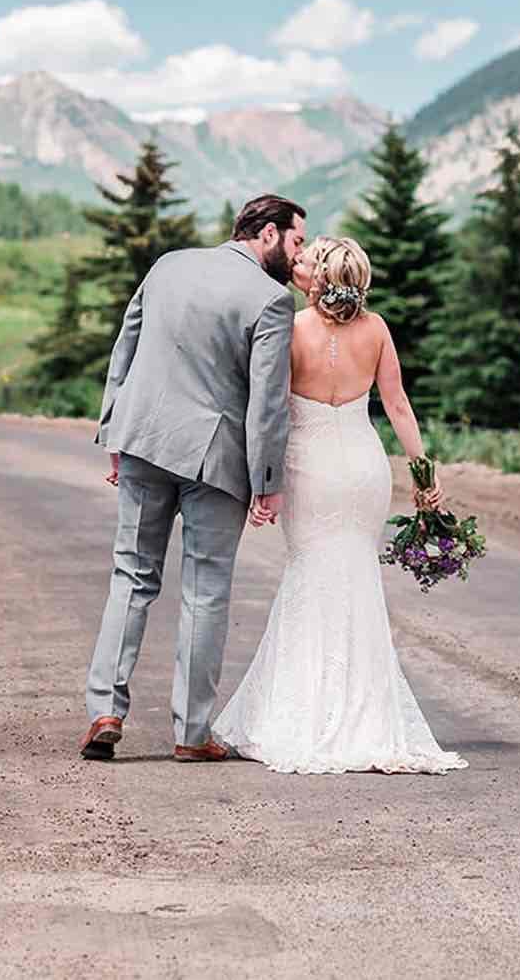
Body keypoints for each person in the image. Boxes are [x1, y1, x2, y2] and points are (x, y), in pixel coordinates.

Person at [212, 237, 468, 774]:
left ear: (319, 281)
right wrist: (424, 474)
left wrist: (264, 480)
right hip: (363, 470)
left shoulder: (292, 328)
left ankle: (304, 710)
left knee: (310, 575)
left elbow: (274, 409)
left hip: (311, 468)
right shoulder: (376, 331)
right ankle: (366, 715)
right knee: (356, 578)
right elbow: (397, 405)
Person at [79, 194, 306, 763]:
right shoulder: (271, 300)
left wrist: (113, 431)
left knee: (130, 575)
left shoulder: (168, 265)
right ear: (270, 235)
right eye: (297, 241)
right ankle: (191, 734)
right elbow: (267, 406)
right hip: (213, 461)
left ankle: (105, 710)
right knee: (205, 592)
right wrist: (269, 480)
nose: (298, 255)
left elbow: (124, 349)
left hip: (142, 440)